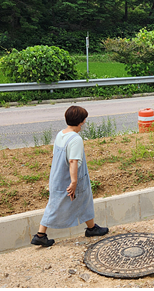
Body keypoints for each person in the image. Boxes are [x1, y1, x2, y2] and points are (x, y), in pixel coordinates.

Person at [32, 106, 108, 247]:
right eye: (84, 120)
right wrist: (73, 182)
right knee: (62, 204)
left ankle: (91, 228)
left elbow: (56, 156)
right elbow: (73, 161)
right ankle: (40, 235)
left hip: (57, 176)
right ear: (81, 122)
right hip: (71, 178)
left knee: (65, 202)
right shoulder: (75, 139)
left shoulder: (61, 134)